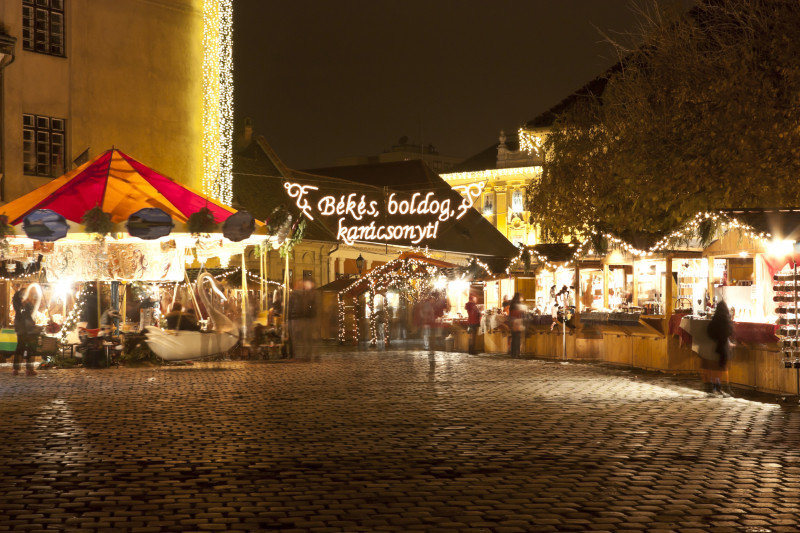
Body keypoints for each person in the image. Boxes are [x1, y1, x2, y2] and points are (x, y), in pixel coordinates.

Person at [705, 300, 734, 397]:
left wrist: (715, 338)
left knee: (715, 367)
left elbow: (709, 331)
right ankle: (721, 386)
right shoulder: (726, 319)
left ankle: (714, 386)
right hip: (723, 346)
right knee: (722, 368)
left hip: (715, 346)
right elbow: (730, 331)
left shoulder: (715, 319)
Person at [12, 288, 38, 376]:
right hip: (24, 327)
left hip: (25, 327)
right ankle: (25, 369)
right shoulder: (18, 302)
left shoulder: (22, 302)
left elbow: (33, 309)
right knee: (26, 347)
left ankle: (23, 369)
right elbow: (23, 309)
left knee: (24, 347)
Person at [288, 280, 316, 358]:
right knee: (302, 338)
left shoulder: (295, 295)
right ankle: (304, 354)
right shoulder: (302, 295)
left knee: (298, 338)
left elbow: (291, 308)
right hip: (301, 318)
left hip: (298, 318)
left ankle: (298, 354)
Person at [508, 292, 525, 358]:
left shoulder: (512, 303)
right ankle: (517, 353)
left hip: (512, 321)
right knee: (517, 338)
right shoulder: (518, 303)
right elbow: (521, 312)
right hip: (517, 321)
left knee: (514, 338)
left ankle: (513, 353)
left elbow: (510, 312)